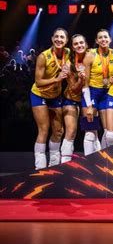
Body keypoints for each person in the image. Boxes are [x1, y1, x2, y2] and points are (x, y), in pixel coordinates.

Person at [30, 28, 70, 169]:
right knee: (44, 129)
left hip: (55, 96)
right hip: (39, 95)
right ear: (52, 39)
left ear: (66, 40)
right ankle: (40, 167)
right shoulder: (43, 56)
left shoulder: (67, 53)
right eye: (57, 37)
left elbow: (73, 62)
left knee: (58, 131)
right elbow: (38, 81)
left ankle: (54, 165)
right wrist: (57, 79)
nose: (59, 39)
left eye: (62, 37)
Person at [82, 29, 113, 155]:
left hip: (107, 93)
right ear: (96, 41)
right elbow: (85, 83)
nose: (103, 39)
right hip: (92, 93)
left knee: (107, 130)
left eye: (106, 37)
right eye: (100, 37)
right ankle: (89, 161)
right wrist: (88, 105)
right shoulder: (90, 55)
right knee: (90, 131)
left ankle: (105, 159)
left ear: (110, 39)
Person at [61, 34, 88, 163]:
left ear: (86, 44)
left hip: (88, 100)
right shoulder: (68, 64)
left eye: (81, 43)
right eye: (76, 44)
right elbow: (74, 89)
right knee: (71, 131)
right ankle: (64, 164)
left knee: (91, 131)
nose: (79, 45)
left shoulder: (93, 57)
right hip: (71, 99)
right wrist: (82, 80)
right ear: (72, 47)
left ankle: (93, 163)